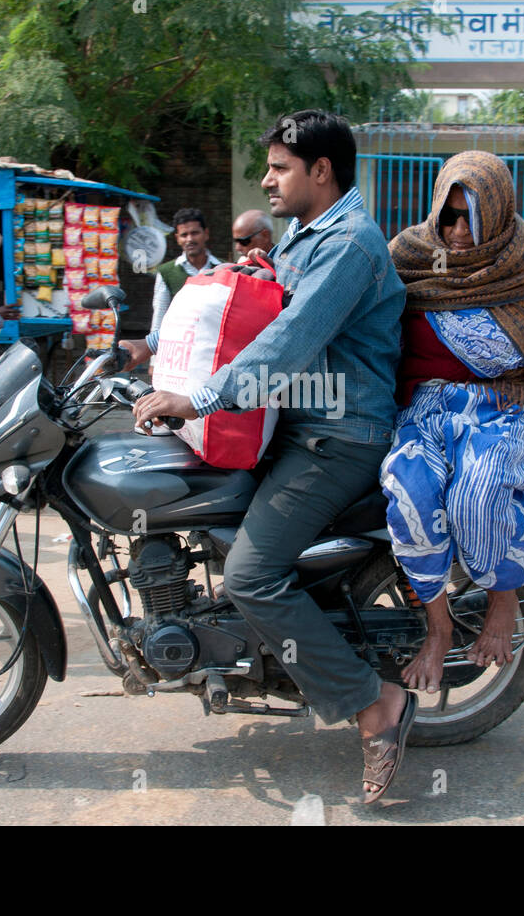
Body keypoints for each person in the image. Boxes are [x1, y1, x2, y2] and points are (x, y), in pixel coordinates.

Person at [122, 109, 417, 804]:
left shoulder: (350, 244)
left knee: (252, 574)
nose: (266, 179)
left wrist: (199, 399)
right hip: (294, 428)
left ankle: (375, 703)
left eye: (280, 167)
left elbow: (287, 342)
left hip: (337, 436)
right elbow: (260, 309)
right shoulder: (305, 235)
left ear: (322, 171)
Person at [381, 151, 524, 697]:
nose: (459, 230)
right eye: (449, 215)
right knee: (407, 485)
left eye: (471, 215)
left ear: (497, 210)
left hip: (508, 405)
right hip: (426, 408)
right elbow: (357, 298)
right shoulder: (411, 253)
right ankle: (439, 624)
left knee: (479, 487)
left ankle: (502, 598)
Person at [149, 208, 222, 334]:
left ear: (206, 234)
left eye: (195, 233)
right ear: (177, 238)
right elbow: (159, 317)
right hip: (179, 345)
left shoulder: (224, 268)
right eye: (184, 235)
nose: (189, 239)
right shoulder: (166, 272)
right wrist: (155, 351)